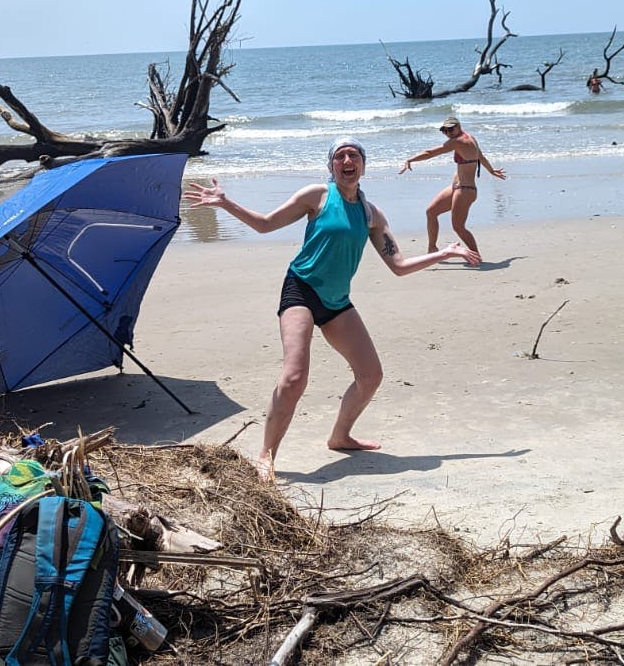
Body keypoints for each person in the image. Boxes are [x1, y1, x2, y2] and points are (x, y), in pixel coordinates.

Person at [183, 138, 479, 480]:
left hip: (337, 301)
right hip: (302, 289)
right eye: (340, 156)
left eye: (354, 155)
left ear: (363, 166)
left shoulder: (371, 214)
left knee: (371, 376)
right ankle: (266, 454)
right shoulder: (317, 196)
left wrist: (442, 253)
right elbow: (265, 224)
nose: (347, 159)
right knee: (294, 378)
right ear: (332, 167)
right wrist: (226, 203)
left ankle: (340, 436)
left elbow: (398, 265)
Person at [399, 115, 506, 257]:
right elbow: (481, 157)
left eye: (451, 129)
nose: (448, 133)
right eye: (445, 131)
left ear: (459, 126)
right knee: (431, 212)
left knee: (458, 227)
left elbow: (430, 153)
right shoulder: (470, 138)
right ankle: (432, 249)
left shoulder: (457, 142)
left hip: (465, 190)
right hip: (457, 187)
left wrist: (410, 159)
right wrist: (491, 171)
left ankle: (475, 255)